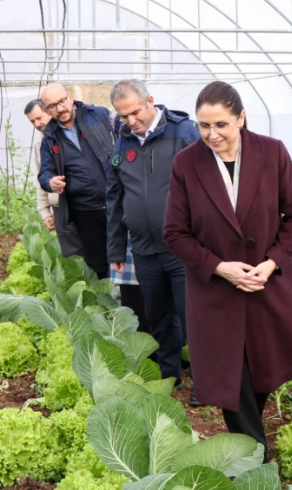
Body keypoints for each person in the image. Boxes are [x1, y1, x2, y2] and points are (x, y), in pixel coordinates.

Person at [162, 81, 292, 459]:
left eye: (221, 125)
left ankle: (249, 444)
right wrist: (219, 267)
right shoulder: (187, 163)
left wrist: (273, 261)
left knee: (263, 366)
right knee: (229, 376)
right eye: (203, 126)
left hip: (266, 283)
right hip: (216, 289)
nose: (212, 135)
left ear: (241, 118)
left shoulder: (272, 152)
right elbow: (175, 233)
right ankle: (254, 455)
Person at [106, 79, 200, 395]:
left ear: (150, 100)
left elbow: (206, 189)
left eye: (134, 112)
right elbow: (115, 197)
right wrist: (116, 248)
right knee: (158, 318)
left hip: (183, 248)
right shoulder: (123, 141)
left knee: (193, 318)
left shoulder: (184, 133)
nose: (131, 121)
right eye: (123, 116)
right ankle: (170, 376)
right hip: (144, 249)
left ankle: (205, 383)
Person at [38, 83, 115, 278]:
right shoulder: (49, 138)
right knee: (98, 262)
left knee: (124, 254)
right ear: (47, 110)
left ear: (70, 97)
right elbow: (44, 173)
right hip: (84, 211)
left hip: (115, 202)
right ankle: (109, 303)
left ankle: (132, 301)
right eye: (52, 106)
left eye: (62, 101)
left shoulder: (98, 116)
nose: (60, 108)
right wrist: (50, 182)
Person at [23, 99, 58, 232]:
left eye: (39, 118)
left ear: (48, 111)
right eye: (32, 121)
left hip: (82, 206)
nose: (37, 124)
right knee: (71, 252)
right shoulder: (40, 142)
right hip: (58, 209)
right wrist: (45, 212)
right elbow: (41, 178)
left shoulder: (67, 134)